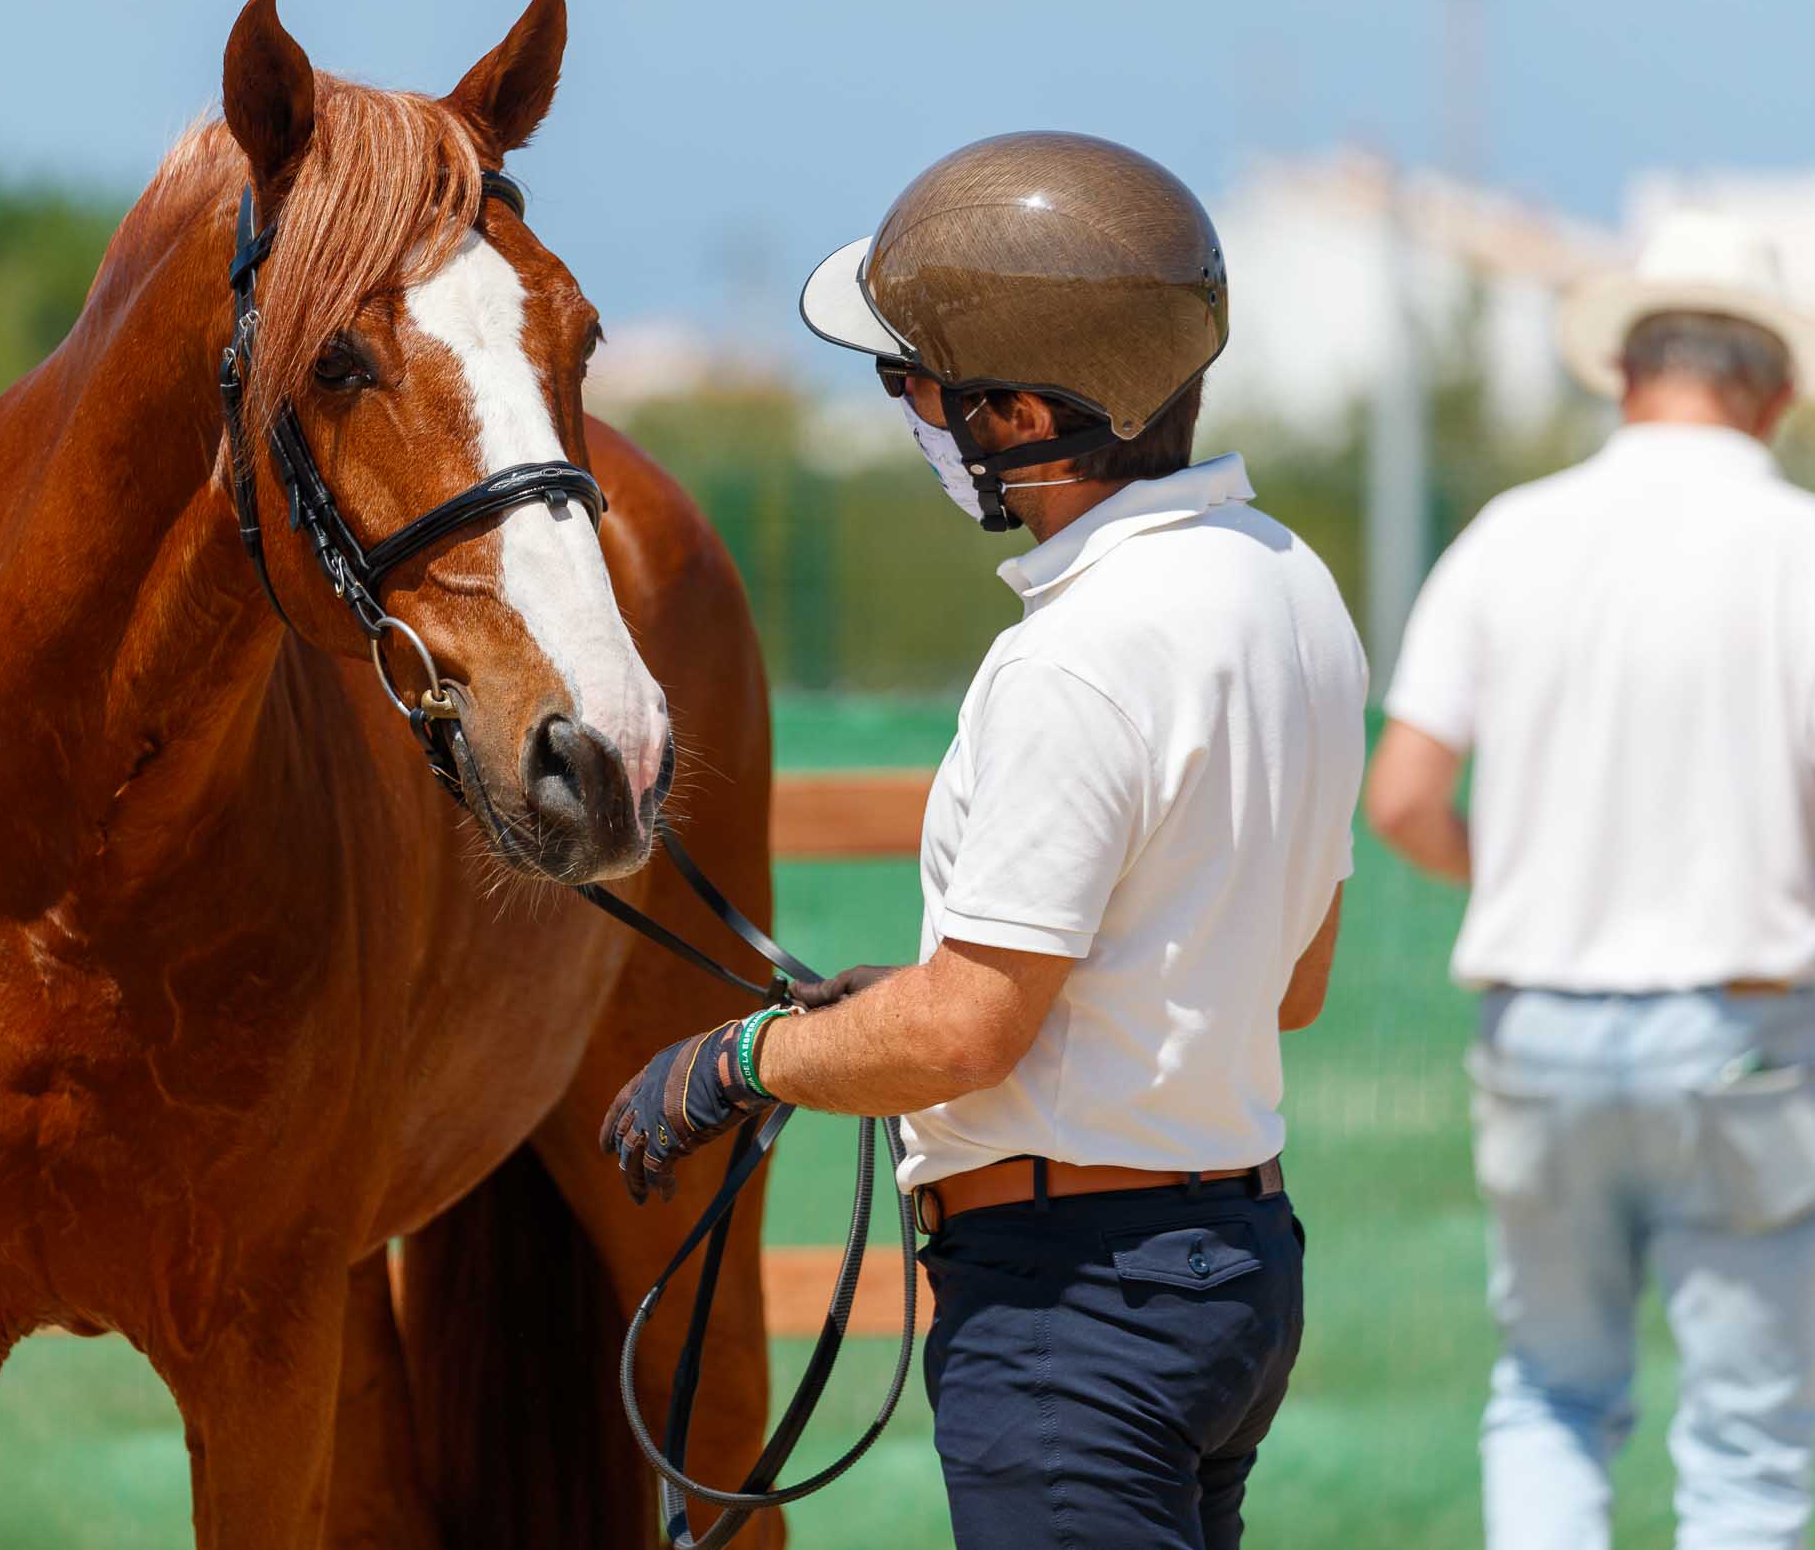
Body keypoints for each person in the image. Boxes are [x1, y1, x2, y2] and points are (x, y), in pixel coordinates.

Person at [599, 130, 1367, 1549]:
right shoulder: (1291, 588)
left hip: (1076, 1304)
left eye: (917, 385)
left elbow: (967, 1035)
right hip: (1235, 1272)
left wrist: (740, 1060)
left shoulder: (1074, 655)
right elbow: (1287, 979)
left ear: (1019, 412)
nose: (909, 414)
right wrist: (890, 1015)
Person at [1366, 209, 1815, 1550]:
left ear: (1620, 370)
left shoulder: (1513, 534)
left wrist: (1534, 882)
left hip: (1540, 1019)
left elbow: (1403, 798)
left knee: (1552, 1397)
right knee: (1749, 1446)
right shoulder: (1801, 547)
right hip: (1747, 1033)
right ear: (1779, 392)